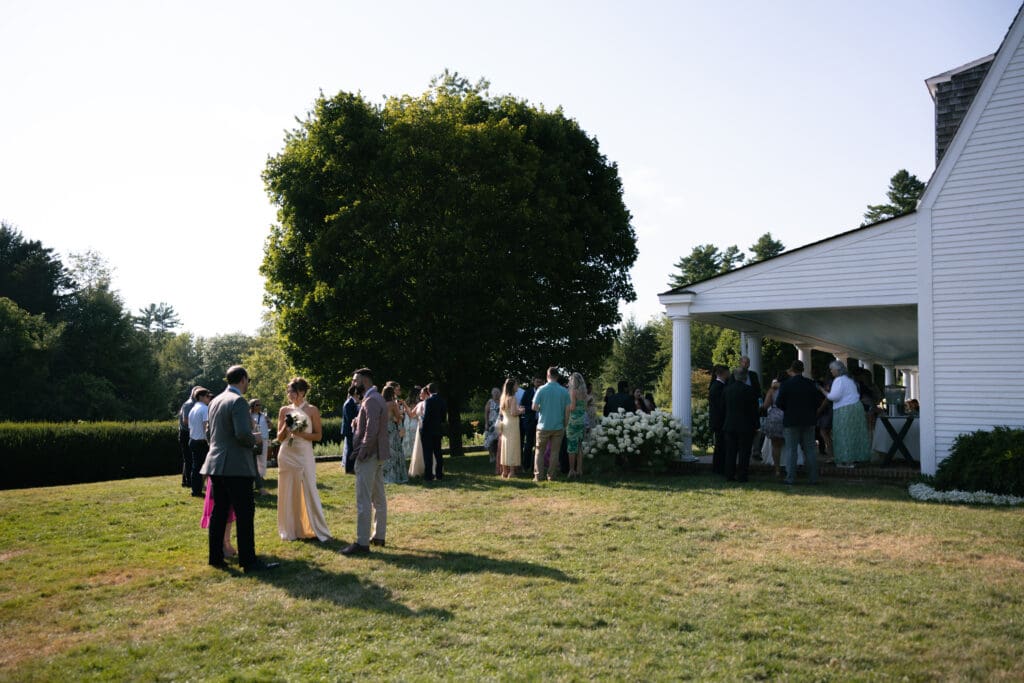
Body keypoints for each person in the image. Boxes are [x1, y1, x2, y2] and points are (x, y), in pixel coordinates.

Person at [200, 365, 276, 572]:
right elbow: (243, 433)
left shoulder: (214, 401)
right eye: (248, 381)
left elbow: (209, 434)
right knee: (244, 512)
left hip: (215, 464)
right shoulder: (238, 402)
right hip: (235, 466)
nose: (247, 385)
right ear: (242, 379)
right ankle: (249, 561)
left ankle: (215, 557)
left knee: (219, 512)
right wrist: (255, 441)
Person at [276, 377, 331, 542]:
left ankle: (316, 528)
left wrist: (300, 433)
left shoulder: (312, 410)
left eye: (292, 391)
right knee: (288, 490)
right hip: (287, 453)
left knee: (309, 487)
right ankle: (292, 529)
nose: (289, 394)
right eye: (288, 391)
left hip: (304, 453)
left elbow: (318, 436)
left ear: (301, 392)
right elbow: (279, 438)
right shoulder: (284, 410)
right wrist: (287, 425)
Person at [343, 368, 389, 555]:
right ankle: (379, 536)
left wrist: (361, 452)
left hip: (369, 456)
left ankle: (362, 543)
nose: (353, 384)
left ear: (365, 380)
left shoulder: (370, 400)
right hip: (378, 455)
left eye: (355, 380)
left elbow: (372, 430)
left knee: (363, 500)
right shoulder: (377, 398)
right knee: (379, 498)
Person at [775, 359, 820, 486]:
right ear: (803, 370)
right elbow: (817, 401)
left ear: (791, 369)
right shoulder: (811, 384)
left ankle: (790, 478)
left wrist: (788, 410)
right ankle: (813, 478)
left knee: (791, 450)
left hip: (791, 420)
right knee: (810, 450)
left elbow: (779, 403)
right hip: (808, 419)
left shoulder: (786, 384)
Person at [821, 361, 872, 467]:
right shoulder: (850, 379)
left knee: (844, 434)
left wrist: (822, 391)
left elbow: (833, 397)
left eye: (832, 369)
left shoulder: (839, 380)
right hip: (856, 407)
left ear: (837, 370)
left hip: (845, 409)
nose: (831, 371)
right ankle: (857, 457)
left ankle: (846, 460)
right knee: (855, 433)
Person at [532, 366, 571, 482]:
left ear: (547, 376)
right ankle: (551, 476)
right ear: (557, 376)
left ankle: (538, 476)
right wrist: (565, 423)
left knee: (539, 451)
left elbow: (534, 407)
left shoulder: (541, 389)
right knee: (555, 452)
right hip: (558, 425)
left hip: (543, 425)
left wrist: (542, 409)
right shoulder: (564, 391)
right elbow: (567, 410)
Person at [723, 368, 759, 482]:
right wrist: (756, 424)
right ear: (745, 377)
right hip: (746, 425)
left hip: (730, 424)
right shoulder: (750, 390)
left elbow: (723, 408)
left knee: (730, 451)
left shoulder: (727, 390)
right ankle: (742, 475)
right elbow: (754, 410)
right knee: (744, 452)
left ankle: (729, 474)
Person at [187, 388, 213, 498]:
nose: (209, 398)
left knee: (196, 467)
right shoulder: (204, 409)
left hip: (193, 440)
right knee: (207, 467)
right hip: (202, 442)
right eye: (207, 396)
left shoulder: (193, 409)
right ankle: (207, 489)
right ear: (201, 397)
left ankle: (196, 490)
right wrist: (210, 442)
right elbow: (205, 427)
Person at [382, 384, 409, 484]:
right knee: (395, 451)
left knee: (386, 451)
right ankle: (395, 476)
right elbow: (398, 417)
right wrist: (402, 415)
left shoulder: (380, 403)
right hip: (391, 428)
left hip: (383, 429)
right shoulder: (392, 403)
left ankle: (385, 475)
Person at [420, 382, 446, 482]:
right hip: (438, 430)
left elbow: (426, 417)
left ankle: (429, 475)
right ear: (437, 390)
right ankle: (439, 474)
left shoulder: (429, 401)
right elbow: (444, 418)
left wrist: (423, 427)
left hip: (428, 431)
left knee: (428, 454)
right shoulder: (442, 401)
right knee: (438, 453)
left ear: (428, 390)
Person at [761, 374, 786, 477]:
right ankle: (790, 467)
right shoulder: (789, 388)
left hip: (775, 417)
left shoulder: (772, 390)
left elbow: (766, 405)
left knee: (776, 445)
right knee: (790, 444)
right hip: (788, 417)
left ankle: (777, 470)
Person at [498, 378, 523, 478]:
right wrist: (521, 411)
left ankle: (504, 471)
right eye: (517, 385)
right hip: (512, 424)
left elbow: (501, 412)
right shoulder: (513, 398)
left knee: (505, 446)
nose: (518, 387)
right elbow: (513, 413)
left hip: (505, 423)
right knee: (512, 447)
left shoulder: (503, 398)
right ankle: (512, 472)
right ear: (512, 387)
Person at [177, 386, 201, 489]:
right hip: (186, 433)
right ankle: (188, 481)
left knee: (189, 459)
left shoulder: (193, 404)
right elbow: (185, 421)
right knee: (188, 458)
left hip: (190, 432)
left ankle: (186, 481)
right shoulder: (189, 404)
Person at [565, 372, 588, 480]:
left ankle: (571, 470)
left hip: (573, 421)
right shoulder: (584, 392)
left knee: (571, 447)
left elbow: (572, 407)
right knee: (579, 446)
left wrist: (566, 407)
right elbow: (585, 407)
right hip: (581, 421)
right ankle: (579, 470)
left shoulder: (573, 391)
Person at [708, 365, 729, 475]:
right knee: (721, 446)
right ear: (724, 373)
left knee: (721, 445)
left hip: (718, 420)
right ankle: (718, 468)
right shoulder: (718, 387)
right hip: (719, 421)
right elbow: (721, 406)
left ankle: (719, 467)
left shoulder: (717, 385)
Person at [520, 376, 541, 473]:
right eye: (537, 381)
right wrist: (534, 408)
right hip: (530, 422)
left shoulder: (544, 392)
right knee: (528, 445)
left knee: (539, 445)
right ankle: (526, 466)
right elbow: (522, 406)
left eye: (540, 382)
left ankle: (536, 467)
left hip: (541, 422)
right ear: (533, 382)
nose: (538, 383)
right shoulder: (527, 392)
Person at [250, 399, 270, 496]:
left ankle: (261, 476)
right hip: (253, 439)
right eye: (257, 405)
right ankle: (256, 479)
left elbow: (271, 426)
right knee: (254, 460)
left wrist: (268, 421)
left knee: (262, 458)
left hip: (263, 439)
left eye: (260, 405)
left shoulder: (263, 416)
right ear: (252, 406)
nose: (259, 406)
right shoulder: (248, 416)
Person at [407, 386, 427, 477]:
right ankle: (419, 469)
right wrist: (404, 404)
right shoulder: (419, 404)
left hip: (427, 428)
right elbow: (411, 415)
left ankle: (430, 468)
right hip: (419, 428)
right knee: (419, 449)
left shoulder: (429, 403)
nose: (419, 394)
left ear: (427, 393)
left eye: (421, 393)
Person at [341, 383, 361, 474]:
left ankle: (351, 467)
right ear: (355, 393)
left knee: (351, 449)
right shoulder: (349, 403)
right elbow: (350, 418)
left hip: (350, 429)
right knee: (350, 449)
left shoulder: (352, 402)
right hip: (349, 430)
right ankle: (349, 469)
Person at [483, 387, 501, 472]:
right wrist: (486, 423)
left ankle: (499, 457)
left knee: (499, 441)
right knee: (488, 441)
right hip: (491, 424)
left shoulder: (502, 401)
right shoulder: (490, 402)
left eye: (497, 393)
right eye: (495, 393)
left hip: (500, 424)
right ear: (492, 394)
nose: (496, 394)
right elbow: (486, 413)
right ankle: (491, 455)